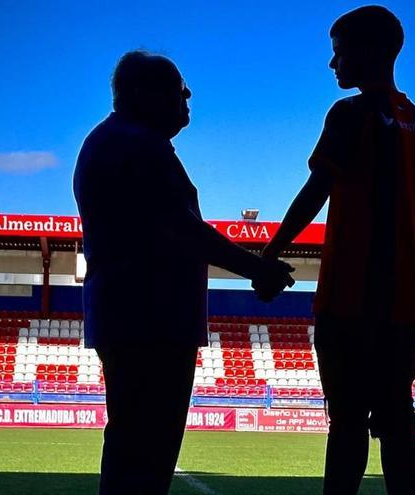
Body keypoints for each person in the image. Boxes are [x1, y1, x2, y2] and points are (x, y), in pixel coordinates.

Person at [73, 50, 295, 495]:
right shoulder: (135, 145)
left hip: (136, 316)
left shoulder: (118, 142)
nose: (187, 95)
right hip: (150, 318)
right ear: (141, 93)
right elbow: (181, 230)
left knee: (133, 447)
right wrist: (258, 269)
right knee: (146, 453)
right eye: (177, 88)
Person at [262, 6, 415, 494]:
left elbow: (317, 189)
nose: (332, 64)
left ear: (372, 52)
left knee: (348, 422)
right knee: (398, 420)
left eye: (339, 52)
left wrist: (270, 252)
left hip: (352, 296)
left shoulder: (351, 114)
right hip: (404, 302)